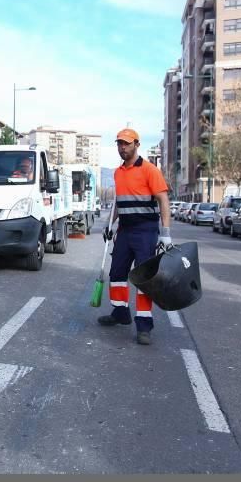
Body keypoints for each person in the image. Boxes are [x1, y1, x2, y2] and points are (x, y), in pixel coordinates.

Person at [99, 128, 171, 345]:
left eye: (126, 143)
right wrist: (109, 224)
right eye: (119, 143)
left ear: (136, 145)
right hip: (125, 231)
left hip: (146, 231)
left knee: (143, 279)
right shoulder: (118, 172)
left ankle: (144, 326)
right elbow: (119, 203)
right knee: (117, 273)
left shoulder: (150, 170)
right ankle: (120, 313)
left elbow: (163, 200)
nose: (122, 147)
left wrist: (165, 233)